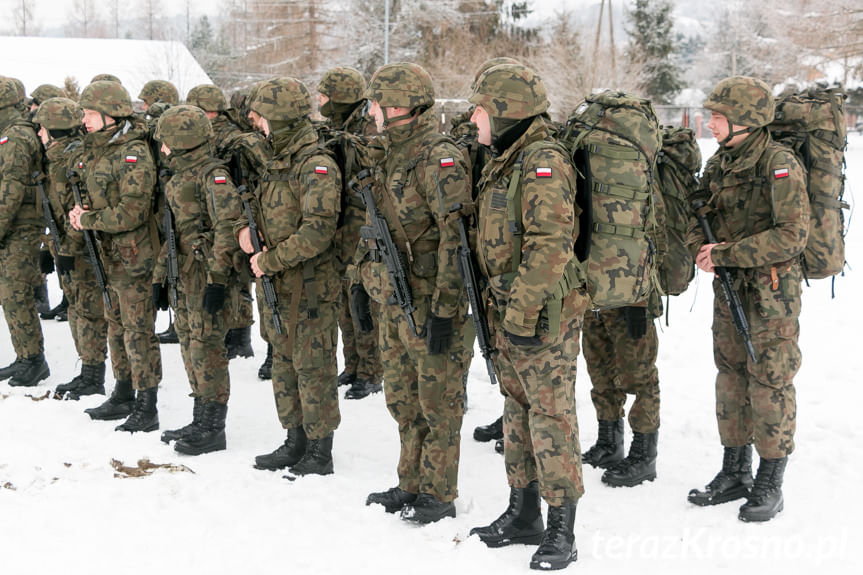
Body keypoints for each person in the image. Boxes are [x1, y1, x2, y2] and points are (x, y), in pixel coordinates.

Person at [465, 63, 588, 571]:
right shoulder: (505, 156)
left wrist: (519, 311)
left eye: (480, 108)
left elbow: (550, 245)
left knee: (552, 416)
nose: (472, 118)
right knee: (516, 412)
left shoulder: (542, 160)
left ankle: (562, 527)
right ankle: (522, 512)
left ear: (506, 111)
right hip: (510, 310)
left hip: (542, 315)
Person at [686, 76, 808, 523]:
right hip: (729, 288)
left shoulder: (779, 163)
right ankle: (734, 470)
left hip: (771, 295)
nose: (710, 123)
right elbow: (701, 213)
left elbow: (793, 235)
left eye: (718, 117)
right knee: (731, 376)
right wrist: (699, 245)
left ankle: (769, 480)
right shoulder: (721, 164)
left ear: (747, 121)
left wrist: (726, 254)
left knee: (770, 380)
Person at [355, 62, 471, 524]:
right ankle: (410, 483)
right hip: (391, 300)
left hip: (428, 304)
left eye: (377, 104)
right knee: (402, 400)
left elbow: (454, 239)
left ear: (398, 106)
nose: (372, 112)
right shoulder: (387, 154)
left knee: (438, 403)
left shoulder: (438, 158)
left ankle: (439, 494)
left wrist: (445, 309)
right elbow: (374, 230)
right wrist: (361, 281)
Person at [239, 77, 342, 477]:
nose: (256, 122)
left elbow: (318, 230)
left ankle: (319, 449)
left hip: (310, 285)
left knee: (313, 365)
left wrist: (271, 260)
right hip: (277, 284)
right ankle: (294, 438)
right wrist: (244, 234)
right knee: (282, 361)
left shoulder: (315, 164)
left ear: (280, 117)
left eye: (262, 115)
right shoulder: (274, 159)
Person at [68, 80, 162, 432]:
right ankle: (123, 393)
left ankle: (146, 404)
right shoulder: (98, 149)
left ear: (112, 115)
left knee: (138, 331)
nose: (85, 120)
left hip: (134, 257)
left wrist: (89, 219)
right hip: (108, 256)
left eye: (90, 113)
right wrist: (78, 213)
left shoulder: (132, 152)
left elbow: (132, 211)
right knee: (116, 326)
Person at [153, 105, 244, 454]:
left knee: (208, 348)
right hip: (184, 275)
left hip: (206, 275)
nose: (162, 148)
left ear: (182, 141)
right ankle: (199, 417)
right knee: (192, 346)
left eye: (166, 140)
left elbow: (227, 228)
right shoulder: (179, 175)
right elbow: (174, 232)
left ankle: (213, 427)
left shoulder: (212, 174)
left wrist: (218, 280)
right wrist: (160, 278)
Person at [186, 83, 271, 361]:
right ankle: (244, 339)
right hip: (241, 213)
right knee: (244, 278)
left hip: (241, 214)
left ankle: (252, 342)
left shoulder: (230, 138)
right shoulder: (228, 136)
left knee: (252, 278)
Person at [34, 97, 109, 399]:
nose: (39, 135)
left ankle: (93, 375)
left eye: (42, 129)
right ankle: (87, 371)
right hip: (66, 245)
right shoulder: (57, 158)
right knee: (78, 307)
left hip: (80, 248)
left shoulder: (69, 161)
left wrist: (68, 248)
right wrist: (49, 245)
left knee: (88, 310)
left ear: (53, 130)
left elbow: (79, 208)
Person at [316, 66, 383, 401]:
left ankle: (371, 371)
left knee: (362, 302)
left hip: (361, 228)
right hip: (342, 230)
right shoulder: (335, 127)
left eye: (325, 95)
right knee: (344, 301)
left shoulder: (367, 128)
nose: (319, 101)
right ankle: (353, 363)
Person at [0, 76, 50, 387]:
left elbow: (11, 189)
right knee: (10, 292)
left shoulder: (15, 136)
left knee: (15, 292)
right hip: (16, 224)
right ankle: (25, 357)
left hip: (21, 225)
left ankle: (33, 360)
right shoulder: (12, 131)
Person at [580, 299, 661, 487]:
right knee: (600, 372)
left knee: (640, 376)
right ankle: (609, 444)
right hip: (593, 300)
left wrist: (639, 304)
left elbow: (645, 267)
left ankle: (644, 456)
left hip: (629, 298)